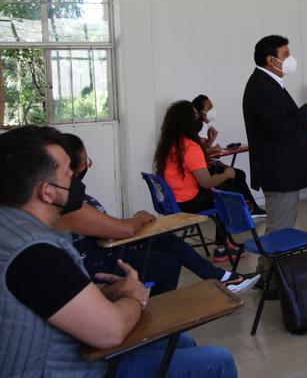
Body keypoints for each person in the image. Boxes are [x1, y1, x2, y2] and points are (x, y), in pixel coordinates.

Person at [0, 125, 237, 378]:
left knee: (182, 342)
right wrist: (135, 296)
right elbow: (110, 330)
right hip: (76, 368)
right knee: (217, 360)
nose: (76, 178)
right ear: (46, 192)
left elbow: (54, 298)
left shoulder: (12, 226)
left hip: (68, 346)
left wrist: (110, 293)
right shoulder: (35, 254)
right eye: (69, 173)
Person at [56, 133, 259, 295]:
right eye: (85, 162)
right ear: (69, 168)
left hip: (109, 246)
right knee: (167, 263)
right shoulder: (66, 203)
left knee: (166, 240)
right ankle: (161, 315)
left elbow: (104, 226)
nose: (86, 167)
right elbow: (121, 229)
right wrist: (138, 219)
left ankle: (223, 278)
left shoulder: (72, 195)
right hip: (102, 261)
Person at [242, 35, 307, 277]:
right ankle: (272, 281)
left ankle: (266, 274)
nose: (291, 59)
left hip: (282, 171)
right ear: (271, 60)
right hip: (279, 172)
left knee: (279, 228)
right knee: (280, 232)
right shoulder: (262, 87)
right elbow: (281, 129)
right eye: (286, 55)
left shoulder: (268, 83)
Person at [154, 100, 254, 262]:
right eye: (195, 117)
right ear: (188, 122)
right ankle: (224, 245)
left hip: (174, 199)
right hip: (188, 202)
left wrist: (208, 142)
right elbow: (206, 182)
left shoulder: (173, 143)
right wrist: (228, 173)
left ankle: (229, 235)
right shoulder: (189, 146)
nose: (200, 120)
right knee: (225, 189)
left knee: (222, 186)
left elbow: (195, 164)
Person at [192, 94, 266, 217]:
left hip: (209, 166)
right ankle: (247, 210)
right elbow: (200, 151)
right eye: (209, 107)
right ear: (200, 112)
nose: (213, 110)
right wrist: (214, 148)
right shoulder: (200, 127)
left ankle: (248, 209)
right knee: (237, 175)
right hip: (205, 172)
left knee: (237, 175)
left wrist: (212, 143)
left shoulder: (206, 127)